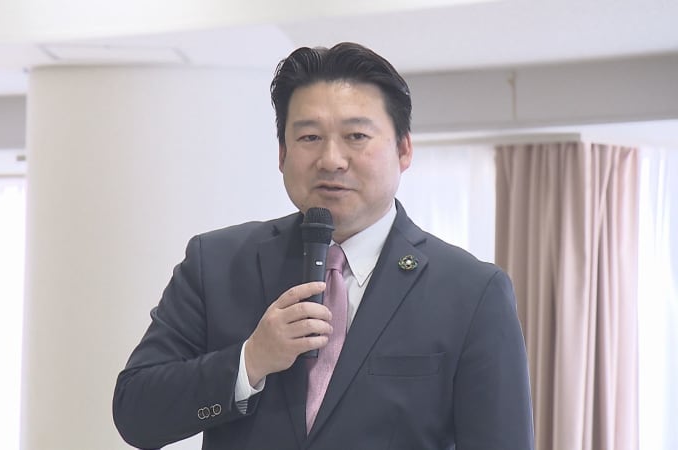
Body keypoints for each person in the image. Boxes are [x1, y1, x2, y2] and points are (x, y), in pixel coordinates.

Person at [113, 42, 534, 450]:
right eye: (310, 137)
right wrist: (250, 361)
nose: (331, 159)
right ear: (282, 153)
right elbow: (136, 413)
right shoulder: (216, 264)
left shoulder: (472, 292)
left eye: (356, 135)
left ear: (404, 149)